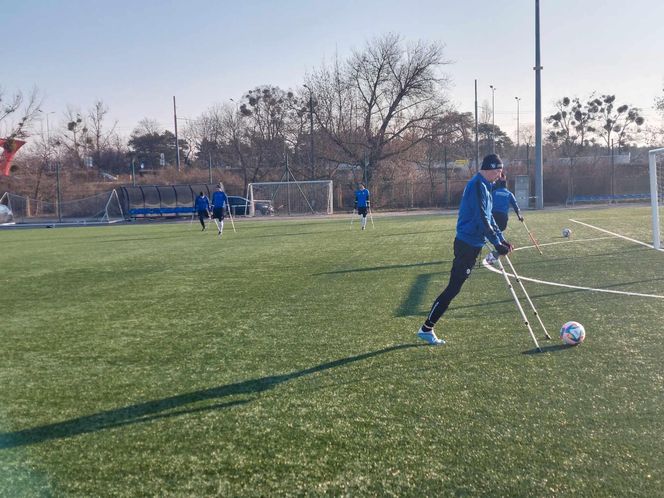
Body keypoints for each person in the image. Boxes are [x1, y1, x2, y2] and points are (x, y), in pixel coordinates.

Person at [417, 153, 514, 346]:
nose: (499, 175)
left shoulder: (487, 187)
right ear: (488, 169)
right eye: (497, 171)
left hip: (474, 243)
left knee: (456, 287)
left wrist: (502, 239)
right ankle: (426, 328)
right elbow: (481, 218)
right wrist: (496, 244)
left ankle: (427, 328)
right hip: (466, 244)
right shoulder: (478, 185)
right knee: (453, 288)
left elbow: (490, 217)